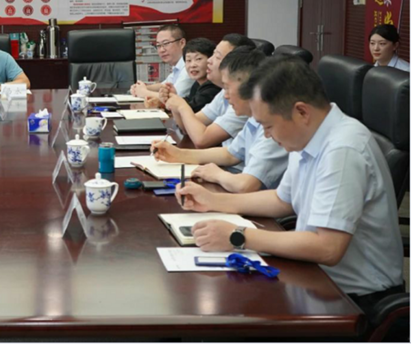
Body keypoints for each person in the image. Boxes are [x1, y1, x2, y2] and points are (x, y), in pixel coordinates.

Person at [176, 55, 404, 315]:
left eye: (268, 125)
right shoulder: (308, 136)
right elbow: (282, 200)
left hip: (354, 299)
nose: (266, 135)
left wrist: (237, 236)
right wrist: (213, 201)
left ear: (301, 112)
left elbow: (328, 248)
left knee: (227, 313)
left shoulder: (343, 150)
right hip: (314, 277)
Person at [153, 49, 288, 193]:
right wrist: (177, 154)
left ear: (249, 88)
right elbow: (230, 154)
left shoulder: (275, 125)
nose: (226, 95)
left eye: (228, 88)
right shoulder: (254, 118)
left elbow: (246, 185)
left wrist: (217, 175)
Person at [165, 33, 256, 149]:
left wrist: (181, 106)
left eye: (217, 57)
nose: (209, 61)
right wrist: (174, 102)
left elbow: (202, 140)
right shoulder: (223, 92)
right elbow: (186, 126)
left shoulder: (243, 101)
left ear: (235, 63)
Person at [145, 37, 220, 112]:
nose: (192, 65)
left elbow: (191, 108)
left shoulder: (212, 87)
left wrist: (171, 100)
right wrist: (164, 102)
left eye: (198, 59)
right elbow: (188, 101)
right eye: (188, 60)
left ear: (211, 60)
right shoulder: (197, 84)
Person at [130, 24, 193, 100]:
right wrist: (141, 87)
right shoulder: (177, 67)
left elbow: (175, 98)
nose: (161, 50)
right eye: (158, 45)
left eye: (166, 44)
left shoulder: (189, 67)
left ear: (182, 43)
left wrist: (144, 92)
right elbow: (163, 86)